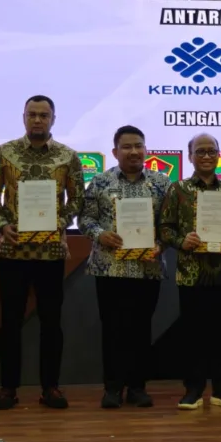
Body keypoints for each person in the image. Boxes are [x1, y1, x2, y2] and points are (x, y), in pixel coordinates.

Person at [0, 95, 84, 411]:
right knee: (10, 323)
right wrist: (2, 224)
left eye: (44, 115)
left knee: (51, 323)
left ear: (53, 119)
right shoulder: (5, 153)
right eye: (32, 114)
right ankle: (8, 388)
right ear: (23, 117)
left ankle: (50, 387)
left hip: (51, 253)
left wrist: (60, 223)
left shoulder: (68, 156)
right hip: (13, 251)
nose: (38, 120)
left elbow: (77, 200)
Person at [80, 125, 170, 409]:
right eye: (127, 146)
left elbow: (170, 225)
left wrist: (160, 245)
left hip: (147, 268)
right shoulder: (100, 182)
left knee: (141, 330)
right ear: (115, 151)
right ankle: (112, 388)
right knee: (112, 329)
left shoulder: (162, 183)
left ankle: (137, 387)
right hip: (110, 268)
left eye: (138, 146)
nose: (133, 151)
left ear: (146, 149)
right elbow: (85, 219)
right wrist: (100, 235)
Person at [160, 133, 221, 410]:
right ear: (190, 156)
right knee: (192, 335)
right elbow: (165, 228)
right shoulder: (177, 189)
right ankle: (193, 390)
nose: (206, 156)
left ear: (219, 154)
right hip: (191, 272)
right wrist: (180, 241)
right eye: (200, 151)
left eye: (211, 151)